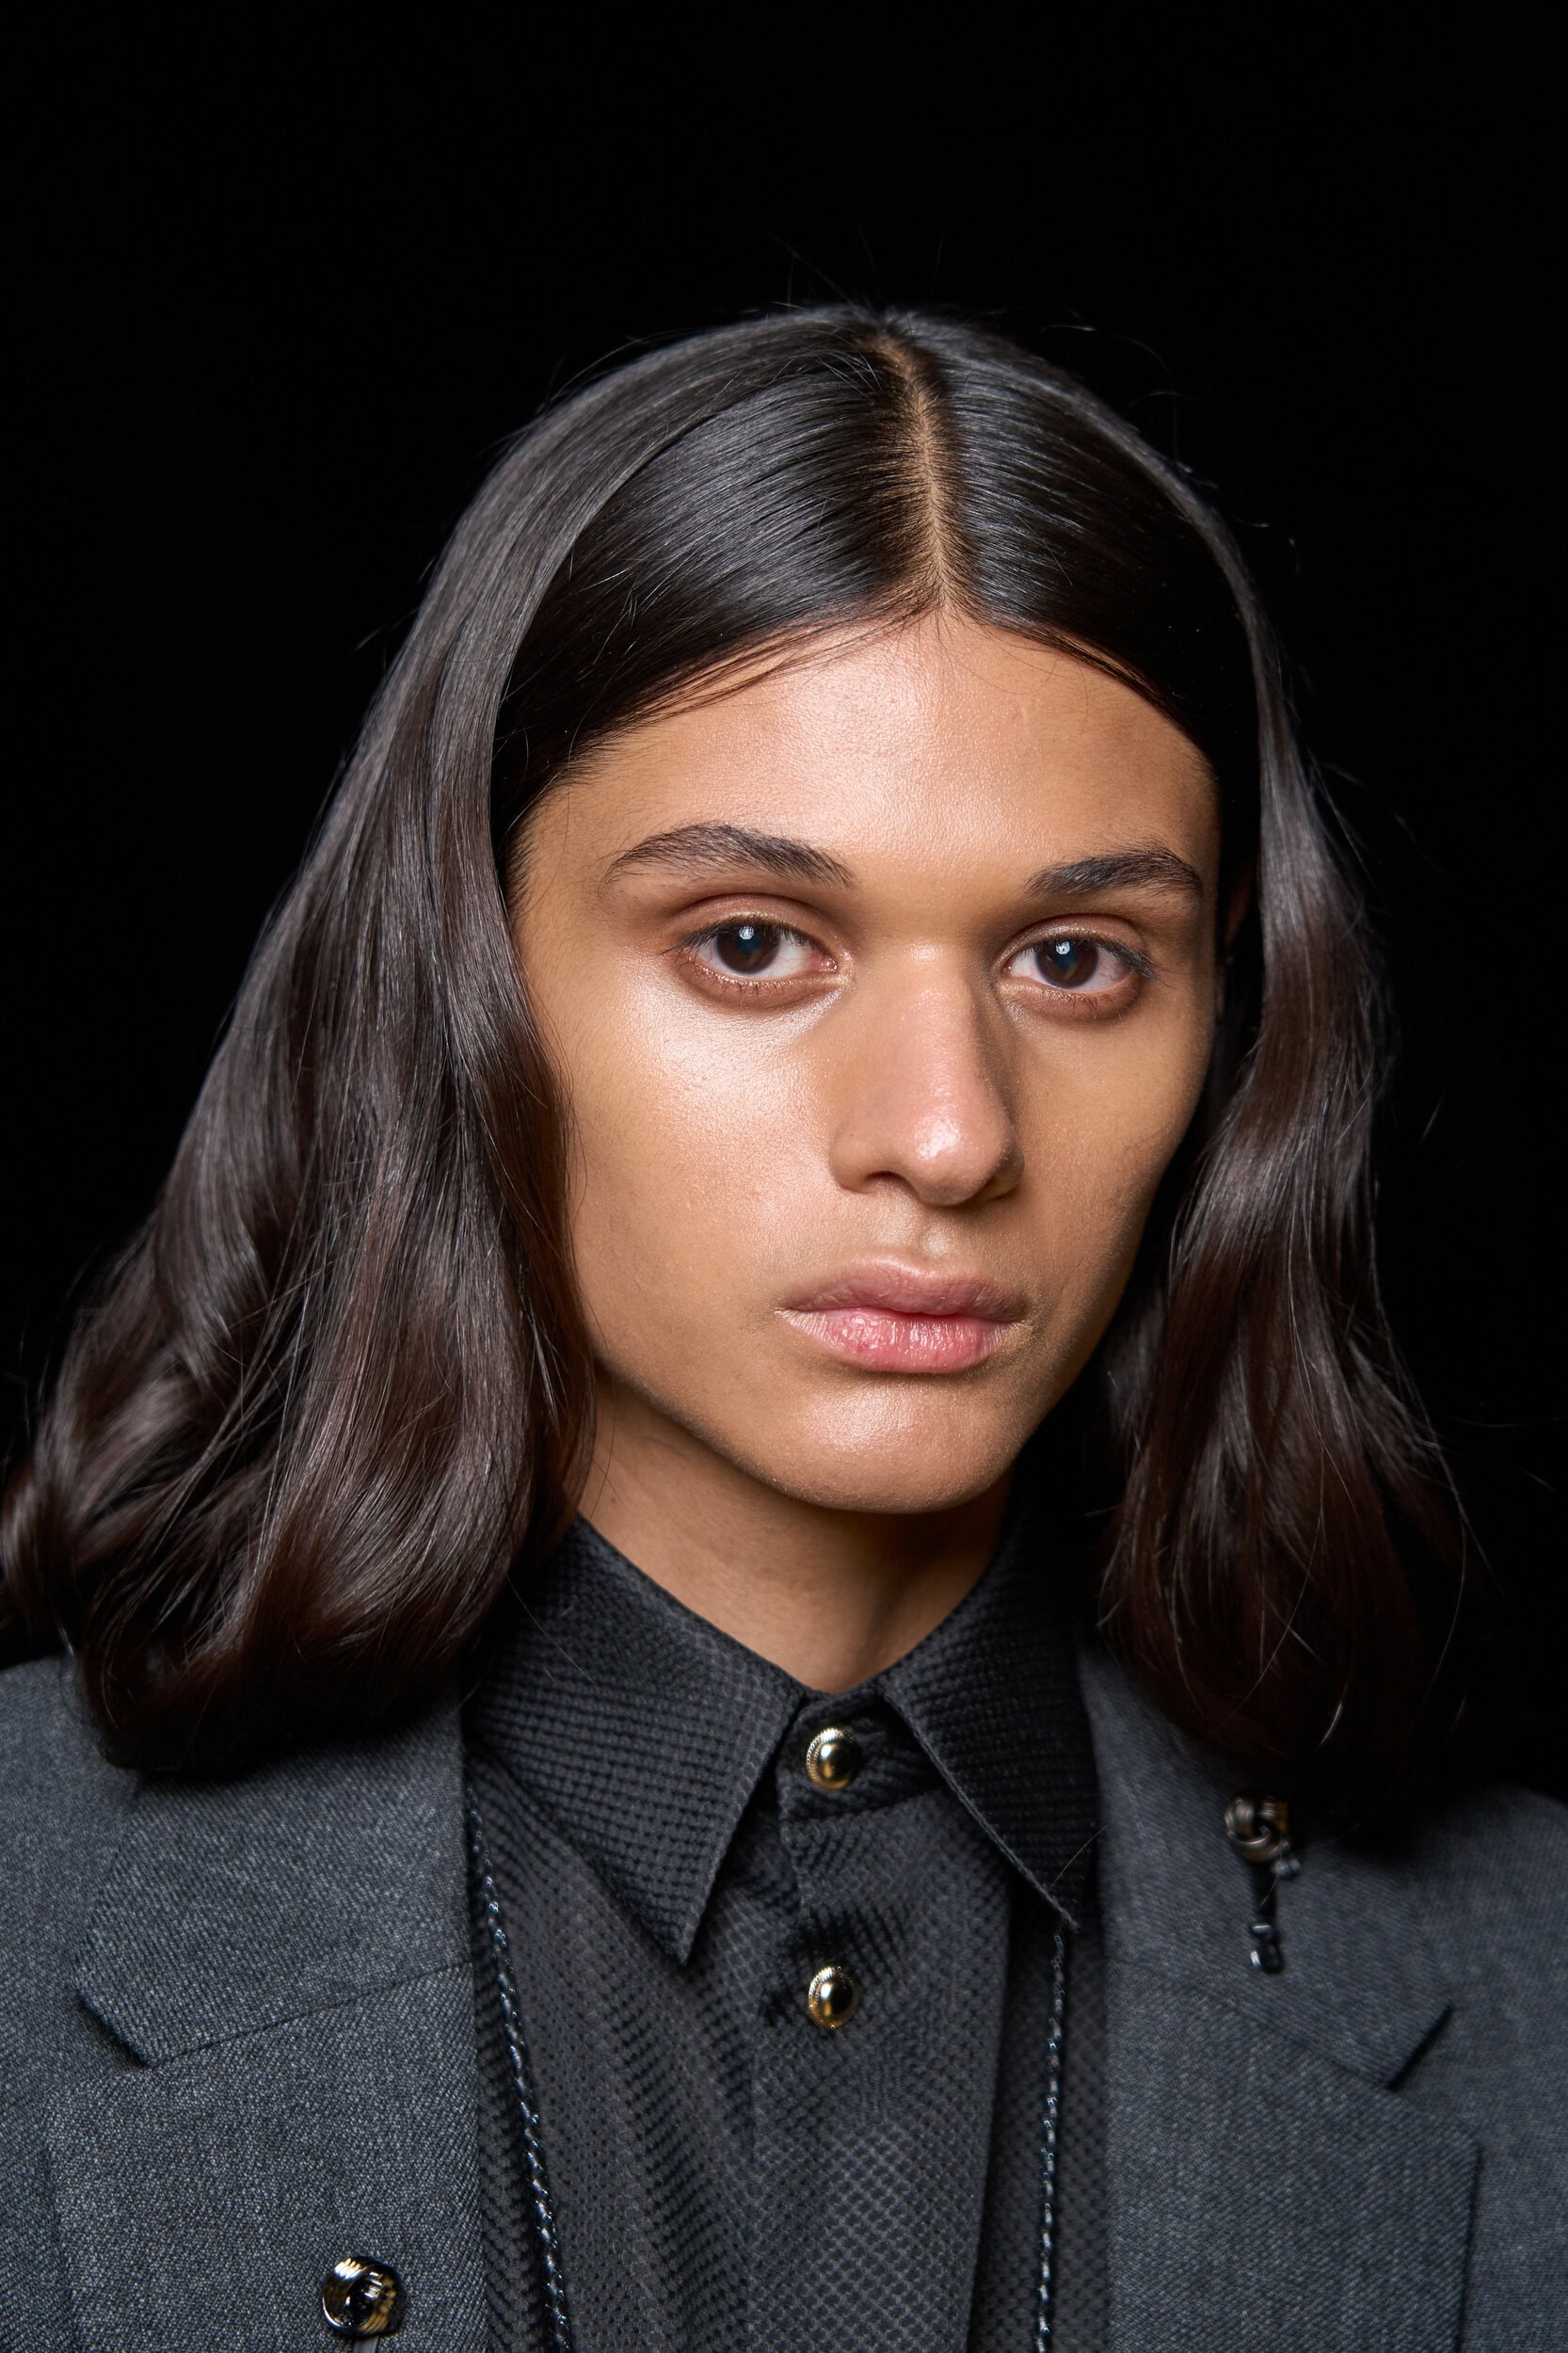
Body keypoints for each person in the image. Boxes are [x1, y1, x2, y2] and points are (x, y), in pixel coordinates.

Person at [1, 309, 1561, 2353]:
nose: (947, 1132)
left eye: (1076, 961)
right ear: (462, 982)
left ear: (1230, 1035)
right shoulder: (32, 1906)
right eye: (751, 943)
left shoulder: (1527, 1988)